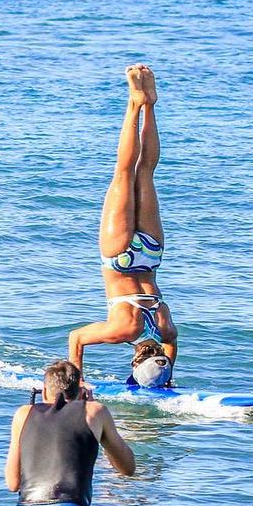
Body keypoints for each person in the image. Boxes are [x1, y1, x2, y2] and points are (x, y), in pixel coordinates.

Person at [68, 63, 178, 388]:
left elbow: (171, 346)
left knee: (144, 172)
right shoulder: (125, 332)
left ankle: (149, 104)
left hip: (150, 254)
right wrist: (76, 383)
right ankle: (133, 103)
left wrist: (168, 375)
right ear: (134, 360)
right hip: (120, 259)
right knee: (124, 172)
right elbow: (76, 338)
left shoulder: (166, 328)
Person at [5, 360, 135, 506]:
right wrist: (100, 433)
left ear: (44, 392)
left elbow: (12, 483)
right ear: (81, 392)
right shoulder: (95, 411)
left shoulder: (22, 413)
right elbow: (128, 468)